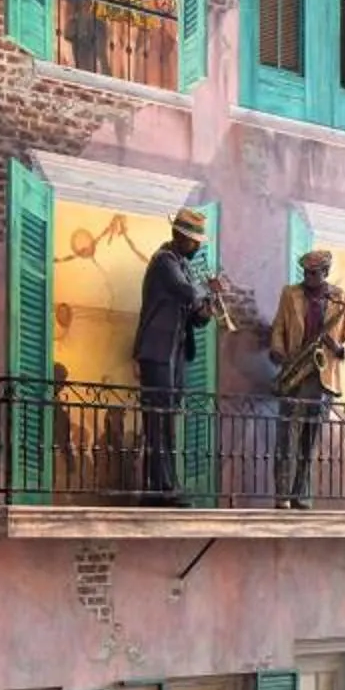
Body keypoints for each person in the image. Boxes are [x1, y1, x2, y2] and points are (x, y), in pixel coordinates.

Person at [130, 208, 216, 503]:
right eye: (195, 241)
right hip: (157, 350)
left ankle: (164, 484)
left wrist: (211, 304)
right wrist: (208, 290)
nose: (198, 246)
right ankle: (161, 487)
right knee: (158, 419)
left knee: (168, 418)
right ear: (180, 236)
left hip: (175, 352)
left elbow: (198, 316)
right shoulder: (164, 261)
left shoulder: (182, 265)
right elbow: (188, 293)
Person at [267, 246, 345, 511]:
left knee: (309, 441)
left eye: (314, 273)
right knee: (286, 438)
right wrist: (279, 353)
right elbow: (278, 329)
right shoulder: (290, 293)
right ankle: (281, 495)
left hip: (322, 378)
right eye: (305, 272)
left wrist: (341, 350)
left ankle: (301, 495)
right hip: (295, 372)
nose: (308, 277)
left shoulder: (342, 299)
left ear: (326, 272)